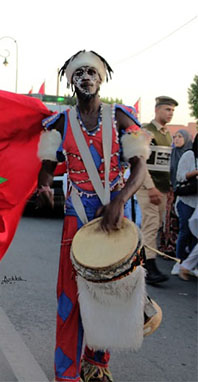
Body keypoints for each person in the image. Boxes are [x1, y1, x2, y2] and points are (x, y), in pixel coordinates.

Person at [37, 50, 149, 382]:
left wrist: (120, 200)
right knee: (70, 298)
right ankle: (66, 374)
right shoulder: (58, 123)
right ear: (71, 80)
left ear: (101, 78)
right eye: (79, 73)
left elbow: (140, 166)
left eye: (92, 72)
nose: (86, 77)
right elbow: (46, 166)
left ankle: (96, 364)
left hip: (114, 216)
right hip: (76, 216)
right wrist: (43, 187)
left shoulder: (122, 117)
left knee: (110, 292)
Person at [135, 96, 178, 284]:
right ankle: (148, 267)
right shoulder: (147, 132)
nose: (170, 113)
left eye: (172, 111)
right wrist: (151, 187)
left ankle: (140, 262)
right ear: (157, 110)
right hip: (148, 188)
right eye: (167, 109)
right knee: (151, 226)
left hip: (161, 189)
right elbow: (140, 162)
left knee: (155, 226)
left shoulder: (167, 134)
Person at [175, 137, 198, 280]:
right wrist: (196, 172)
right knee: (185, 232)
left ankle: (189, 266)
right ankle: (180, 263)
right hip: (186, 201)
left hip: (197, 203)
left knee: (195, 235)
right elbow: (180, 177)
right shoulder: (189, 155)